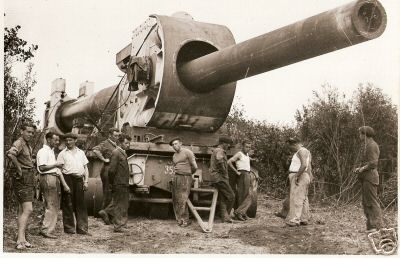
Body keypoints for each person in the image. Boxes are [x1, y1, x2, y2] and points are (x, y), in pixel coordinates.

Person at [7, 123, 37, 249]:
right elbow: (10, 154)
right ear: (21, 131)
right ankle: (20, 240)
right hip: (22, 177)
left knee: (22, 209)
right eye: (28, 131)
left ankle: (22, 239)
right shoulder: (19, 142)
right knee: (28, 209)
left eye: (32, 132)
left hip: (28, 176)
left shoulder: (26, 144)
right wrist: (19, 168)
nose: (30, 134)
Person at [37, 132, 71, 238]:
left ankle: (48, 228)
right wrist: (56, 164)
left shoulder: (50, 151)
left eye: (58, 140)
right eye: (55, 140)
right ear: (48, 140)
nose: (57, 142)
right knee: (51, 204)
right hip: (48, 178)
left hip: (52, 178)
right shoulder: (43, 151)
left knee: (53, 204)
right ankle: (46, 229)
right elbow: (42, 168)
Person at [57, 133, 91, 235]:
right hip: (67, 179)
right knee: (68, 204)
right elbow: (59, 171)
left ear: (75, 140)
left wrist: (86, 181)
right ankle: (69, 229)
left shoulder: (81, 153)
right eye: (66, 140)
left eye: (70, 140)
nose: (68, 142)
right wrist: (64, 185)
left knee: (81, 205)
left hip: (79, 180)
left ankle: (82, 229)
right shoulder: (62, 154)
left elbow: (86, 168)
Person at [98, 134, 132, 232]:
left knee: (124, 204)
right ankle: (118, 226)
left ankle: (122, 224)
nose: (128, 145)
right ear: (120, 143)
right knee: (119, 205)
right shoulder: (116, 153)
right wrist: (112, 183)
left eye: (129, 143)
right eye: (126, 143)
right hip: (119, 183)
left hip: (123, 183)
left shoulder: (123, 153)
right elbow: (112, 171)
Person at [354, 126, 382, 233]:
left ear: (365, 134)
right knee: (366, 202)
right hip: (366, 177)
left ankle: (377, 226)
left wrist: (362, 168)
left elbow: (373, 163)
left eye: (360, 133)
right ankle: (371, 227)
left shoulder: (372, 146)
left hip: (370, 177)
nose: (359, 136)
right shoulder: (367, 145)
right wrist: (360, 169)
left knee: (372, 202)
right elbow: (369, 163)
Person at [169, 137, 198, 227]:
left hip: (185, 177)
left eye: (176, 143)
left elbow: (195, 166)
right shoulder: (174, 155)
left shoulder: (187, 152)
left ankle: (185, 220)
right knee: (177, 199)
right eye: (173, 145)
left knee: (183, 198)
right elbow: (174, 167)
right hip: (177, 177)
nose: (174, 146)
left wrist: (188, 173)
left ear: (180, 143)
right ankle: (180, 219)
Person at [285, 137, 312, 227]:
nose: (291, 149)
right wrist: (309, 176)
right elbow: (309, 166)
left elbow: (304, 165)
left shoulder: (301, 151)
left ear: (295, 144)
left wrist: (297, 176)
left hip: (300, 175)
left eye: (291, 146)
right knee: (303, 198)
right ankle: (303, 218)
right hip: (303, 175)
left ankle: (295, 219)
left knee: (297, 198)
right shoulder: (306, 151)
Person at [209, 136, 235, 223]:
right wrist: (224, 173)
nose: (228, 146)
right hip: (219, 178)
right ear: (223, 143)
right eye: (227, 144)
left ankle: (223, 216)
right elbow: (220, 163)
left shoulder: (217, 150)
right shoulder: (220, 151)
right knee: (231, 196)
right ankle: (225, 215)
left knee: (223, 198)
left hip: (217, 178)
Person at [93, 128, 119, 212]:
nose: (117, 137)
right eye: (115, 135)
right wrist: (104, 159)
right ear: (110, 135)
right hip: (107, 170)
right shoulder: (105, 143)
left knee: (112, 192)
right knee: (107, 193)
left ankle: (108, 213)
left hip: (114, 170)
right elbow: (95, 150)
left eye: (118, 136)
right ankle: (104, 213)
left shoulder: (116, 144)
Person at [228, 141, 253, 221]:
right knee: (242, 194)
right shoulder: (239, 154)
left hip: (247, 174)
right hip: (242, 174)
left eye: (249, 147)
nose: (248, 148)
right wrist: (236, 172)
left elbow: (246, 160)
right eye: (246, 146)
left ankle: (241, 212)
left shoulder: (247, 155)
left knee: (248, 195)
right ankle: (238, 213)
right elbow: (229, 162)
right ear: (242, 146)